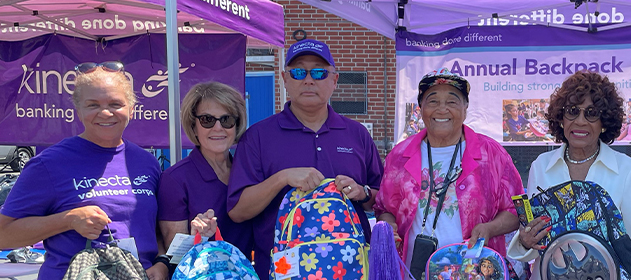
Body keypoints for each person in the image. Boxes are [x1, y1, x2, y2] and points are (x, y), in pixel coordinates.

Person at [0, 62, 212, 279]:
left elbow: (152, 227)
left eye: (115, 104)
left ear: (131, 109)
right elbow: (4, 235)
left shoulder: (146, 162)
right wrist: (67, 220)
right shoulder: (48, 164)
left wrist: (161, 262)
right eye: (92, 105)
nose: (105, 112)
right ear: (78, 111)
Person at [227, 39, 384, 277]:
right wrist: (281, 178)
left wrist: (361, 192)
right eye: (299, 72)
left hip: (350, 269)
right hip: (281, 271)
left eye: (319, 72)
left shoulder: (356, 134)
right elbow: (238, 210)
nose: (309, 80)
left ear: (334, 80)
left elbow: (382, 200)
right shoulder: (258, 137)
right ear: (284, 78)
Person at [374, 68, 523, 276]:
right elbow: (383, 207)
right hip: (411, 270)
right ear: (421, 107)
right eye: (433, 101)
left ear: (465, 107)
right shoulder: (399, 156)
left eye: (452, 101)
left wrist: (489, 229)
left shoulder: (490, 153)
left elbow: (517, 210)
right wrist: (389, 225)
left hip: (475, 271)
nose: (442, 109)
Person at [508, 70, 631, 279]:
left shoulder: (627, 170)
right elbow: (533, 236)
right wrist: (525, 241)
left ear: (604, 122)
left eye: (592, 113)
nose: (580, 121)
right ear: (561, 118)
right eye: (572, 111)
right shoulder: (541, 166)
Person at [157, 82, 253, 273]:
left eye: (226, 120)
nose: (218, 128)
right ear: (193, 127)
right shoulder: (175, 179)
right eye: (207, 120)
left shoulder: (250, 172)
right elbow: (175, 256)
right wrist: (196, 236)